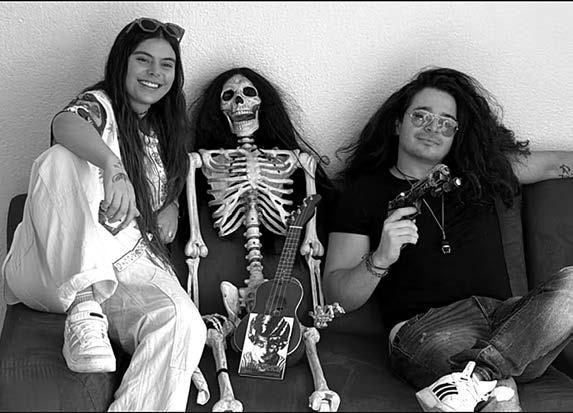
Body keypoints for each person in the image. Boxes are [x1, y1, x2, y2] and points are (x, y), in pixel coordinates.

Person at [323, 67, 573, 412]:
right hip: (427, 328)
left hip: (509, 324)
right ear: (397, 124)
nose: (433, 128)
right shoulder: (363, 193)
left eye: (446, 123)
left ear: (457, 134)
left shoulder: (480, 175)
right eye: (421, 116)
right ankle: (486, 377)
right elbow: (337, 296)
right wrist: (380, 258)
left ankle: (478, 375)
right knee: (499, 393)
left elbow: (556, 165)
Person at [2, 17, 206, 411]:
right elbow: (64, 123)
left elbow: (169, 183)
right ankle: (83, 304)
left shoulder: (166, 129)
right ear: (121, 63)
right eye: (143, 60)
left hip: (128, 267)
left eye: (166, 64)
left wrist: (172, 204)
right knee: (60, 159)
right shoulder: (100, 106)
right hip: (55, 267)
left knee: (184, 321)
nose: (155, 72)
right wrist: (113, 166)